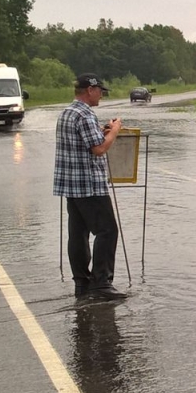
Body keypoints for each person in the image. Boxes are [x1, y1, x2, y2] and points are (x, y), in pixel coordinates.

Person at [53, 73, 127, 299]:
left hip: (71, 186)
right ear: (89, 90)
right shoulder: (85, 115)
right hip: (89, 185)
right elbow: (98, 149)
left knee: (78, 234)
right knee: (107, 231)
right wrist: (113, 132)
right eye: (100, 91)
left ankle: (82, 283)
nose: (101, 95)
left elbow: (86, 142)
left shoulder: (67, 113)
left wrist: (101, 133)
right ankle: (101, 283)